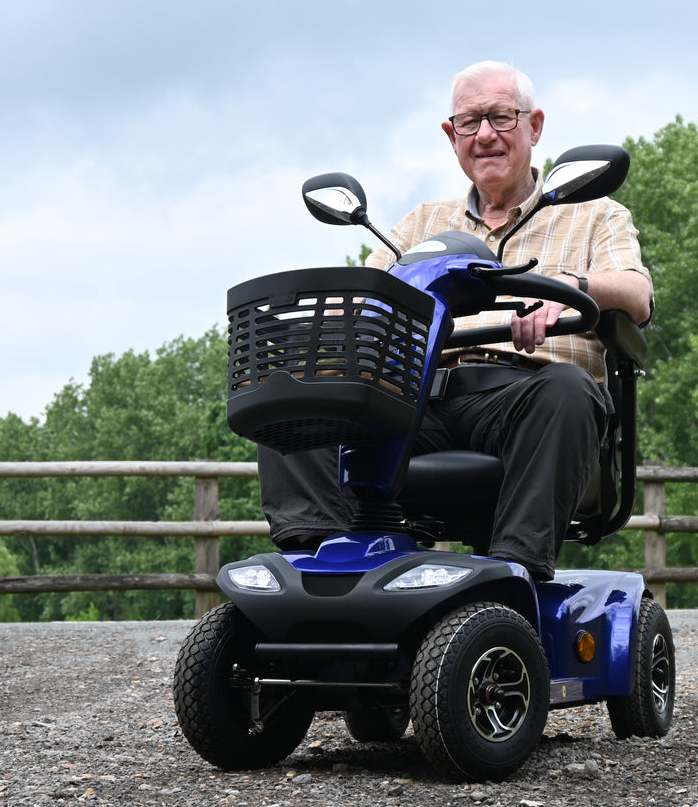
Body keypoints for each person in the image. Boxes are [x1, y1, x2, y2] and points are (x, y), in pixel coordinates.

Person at [256, 60, 652, 581]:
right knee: (302, 391)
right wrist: (333, 314)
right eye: (469, 122)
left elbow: (637, 293)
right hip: (421, 399)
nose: (485, 135)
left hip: (526, 395)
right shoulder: (421, 224)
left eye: (502, 118)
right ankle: (323, 564)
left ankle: (514, 574)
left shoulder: (593, 213)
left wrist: (572, 289)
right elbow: (364, 298)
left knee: (568, 389)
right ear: (452, 135)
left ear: (534, 126)